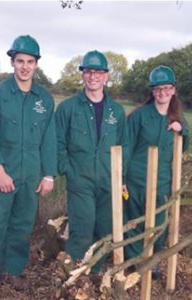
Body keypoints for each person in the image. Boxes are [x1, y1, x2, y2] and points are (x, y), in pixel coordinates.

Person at [0, 35, 57, 299]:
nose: (25, 66)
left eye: (30, 61)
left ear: (36, 65)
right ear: (12, 63)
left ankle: (13, 269)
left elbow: (49, 138)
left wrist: (48, 175)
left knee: (22, 226)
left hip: (31, 173)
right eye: (20, 61)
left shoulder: (44, 99)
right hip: (4, 171)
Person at [55, 50, 128, 273]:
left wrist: (121, 179)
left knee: (105, 229)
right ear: (83, 75)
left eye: (98, 72)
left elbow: (123, 146)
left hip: (108, 181)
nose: (93, 76)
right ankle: (72, 275)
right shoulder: (68, 108)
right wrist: (68, 170)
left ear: (106, 76)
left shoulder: (116, 110)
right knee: (82, 228)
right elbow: (57, 143)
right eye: (88, 71)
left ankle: (94, 273)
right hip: (81, 179)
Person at [124, 65, 189, 274]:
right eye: (158, 89)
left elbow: (184, 145)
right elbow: (126, 147)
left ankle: (151, 259)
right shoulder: (139, 116)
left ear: (173, 90)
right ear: (152, 92)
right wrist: (122, 178)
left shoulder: (177, 118)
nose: (162, 93)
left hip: (162, 180)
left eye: (167, 88)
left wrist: (183, 130)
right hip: (136, 178)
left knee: (160, 222)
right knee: (135, 221)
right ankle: (135, 261)